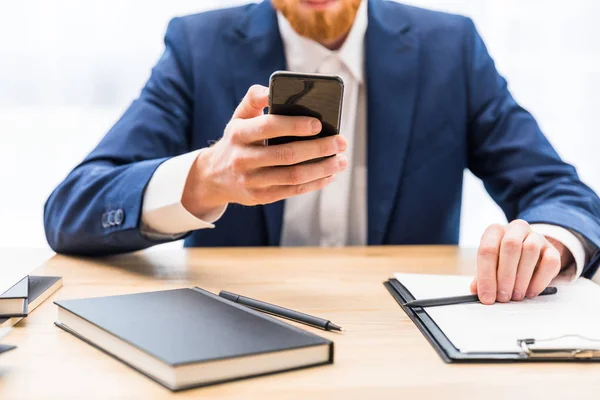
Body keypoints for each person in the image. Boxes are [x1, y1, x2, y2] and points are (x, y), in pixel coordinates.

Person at [44, 0, 600, 304]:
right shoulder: (197, 46)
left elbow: (559, 193)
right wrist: (203, 178)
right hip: (235, 335)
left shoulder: (450, 47)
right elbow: (72, 207)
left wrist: (547, 243)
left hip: (407, 342)